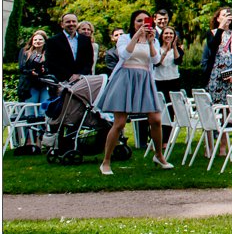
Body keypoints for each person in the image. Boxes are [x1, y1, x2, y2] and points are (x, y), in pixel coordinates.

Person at [96, 10, 172, 175]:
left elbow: (155, 60)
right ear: (133, 22)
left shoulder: (153, 39)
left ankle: (159, 155)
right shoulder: (124, 38)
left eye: (145, 21)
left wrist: (151, 42)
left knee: (156, 119)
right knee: (120, 123)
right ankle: (106, 161)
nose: (142, 24)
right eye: (139, 21)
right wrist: (136, 36)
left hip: (144, 78)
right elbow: (124, 54)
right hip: (126, 78)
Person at [44, 12, 94, 85]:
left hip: (82, 80)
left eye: (73, 21)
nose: (71, 24)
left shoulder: (85, 40)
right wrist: (69, 76)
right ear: (62, 24)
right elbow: (51, 62)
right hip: (61, 81)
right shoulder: (53, 41)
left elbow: (89, 61)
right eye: (68, 22)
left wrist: (80, 75)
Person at [202, 7, 232, 100]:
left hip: (231, 75)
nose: (227, 18)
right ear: (218, 18)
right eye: (224, 15)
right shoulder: (211, 33)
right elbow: (213, 45)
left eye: (229, 16)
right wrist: (221, 27)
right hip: (215, 74)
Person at [153, 25, 185, 100]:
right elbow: (156, 63)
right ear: (162, 35)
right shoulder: (157, 48)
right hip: (159, 81)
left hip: (174, 80)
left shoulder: (178, 49)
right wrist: (166, 51)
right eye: (166, 33)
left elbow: (178, 61)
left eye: (171, 34)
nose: (169, 35)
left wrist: (174, 47)